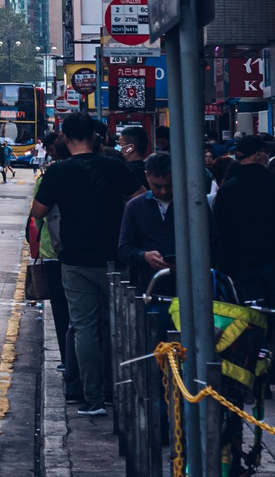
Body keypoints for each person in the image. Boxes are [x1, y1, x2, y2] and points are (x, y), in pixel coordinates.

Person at [31, 111, 138, 418]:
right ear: (94, 136)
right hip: (115, 257)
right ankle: (118, 389)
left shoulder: (58, 172)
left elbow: (38, 211)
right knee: (119, 326)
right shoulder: (114, 166)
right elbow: (140, 199)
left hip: (75, 259)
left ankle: (92, 399)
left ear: (64, 137)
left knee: (84, 329)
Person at [210, 134, 275, 316]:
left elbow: (219, 232)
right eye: (266, 153)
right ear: (259, 156)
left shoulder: (227, 190)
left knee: (248, 320)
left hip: (241, 266)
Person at [118, 152, 178, 290]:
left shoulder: (193, 205)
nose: (163, 191)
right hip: (151, 287)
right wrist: (144, 256)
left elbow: (213, 243)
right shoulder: (135, 206)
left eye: (169, 185)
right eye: (157, 186)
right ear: (146, 176)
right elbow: (124, 249)